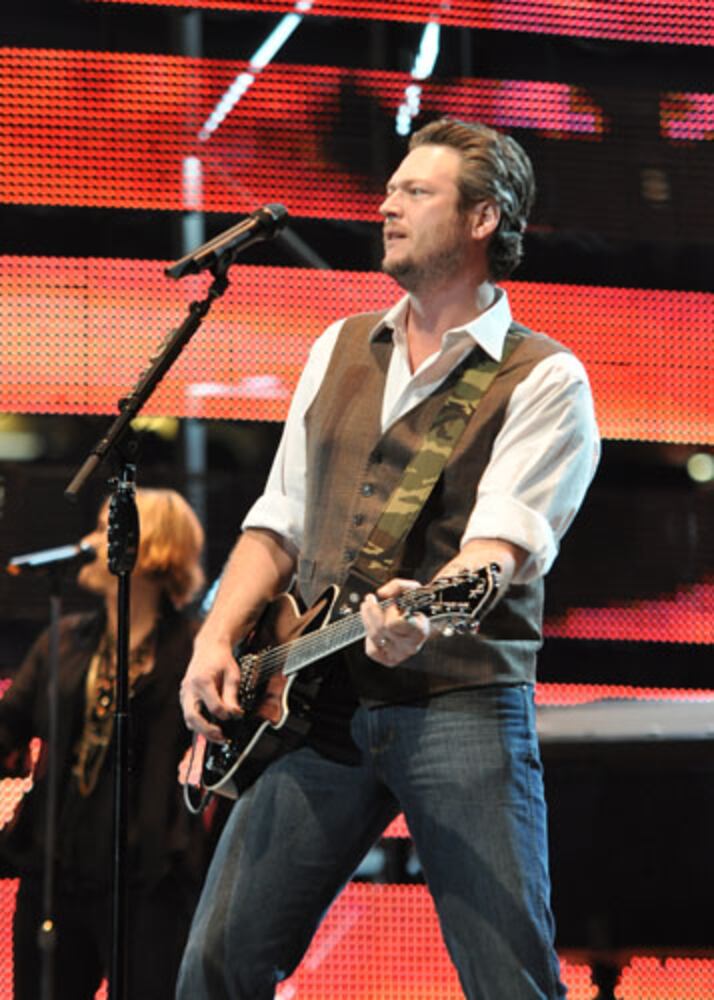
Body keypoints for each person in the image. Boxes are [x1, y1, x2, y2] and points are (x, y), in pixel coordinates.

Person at [177, 118, 600, 999]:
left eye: (416, 191)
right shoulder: (338, 346)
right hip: (315, 706)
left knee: (509, 981)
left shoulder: (546, 378)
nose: (386, 205)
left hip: (458, 702)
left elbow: (497, 550)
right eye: (390, 188)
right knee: (217, 965)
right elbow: (278, 521)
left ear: (483, 218)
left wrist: (426, 614)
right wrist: (215, 639)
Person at [0, 488, 212, 1000]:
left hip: (150, 879)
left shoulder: (195, 649)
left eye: (104, 529)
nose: (90, 542)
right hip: (56, 872)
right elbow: (8, 727)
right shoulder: (64, 640)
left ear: (147, 546)